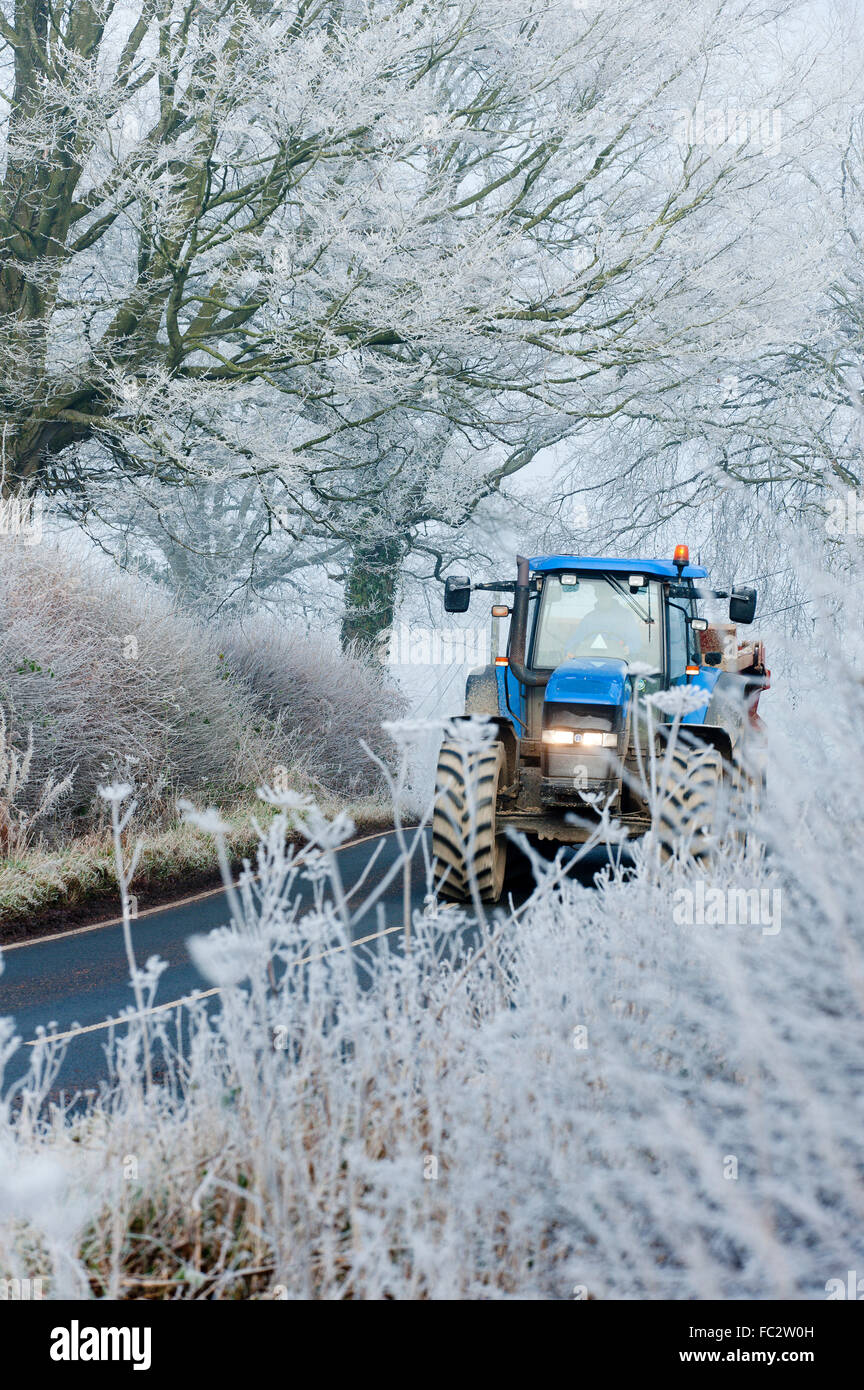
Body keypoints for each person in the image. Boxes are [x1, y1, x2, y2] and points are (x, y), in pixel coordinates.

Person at [566, 585, 645, 660]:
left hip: (618, 661)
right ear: (597, 594)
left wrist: (629, 648)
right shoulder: (589, 618)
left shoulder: (625, 616)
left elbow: (636, 641)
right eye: (601, 593)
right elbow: (576, 640)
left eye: (606, 593)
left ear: (611, 594)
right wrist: (569, 651)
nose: (603, 597)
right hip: (589, 661)